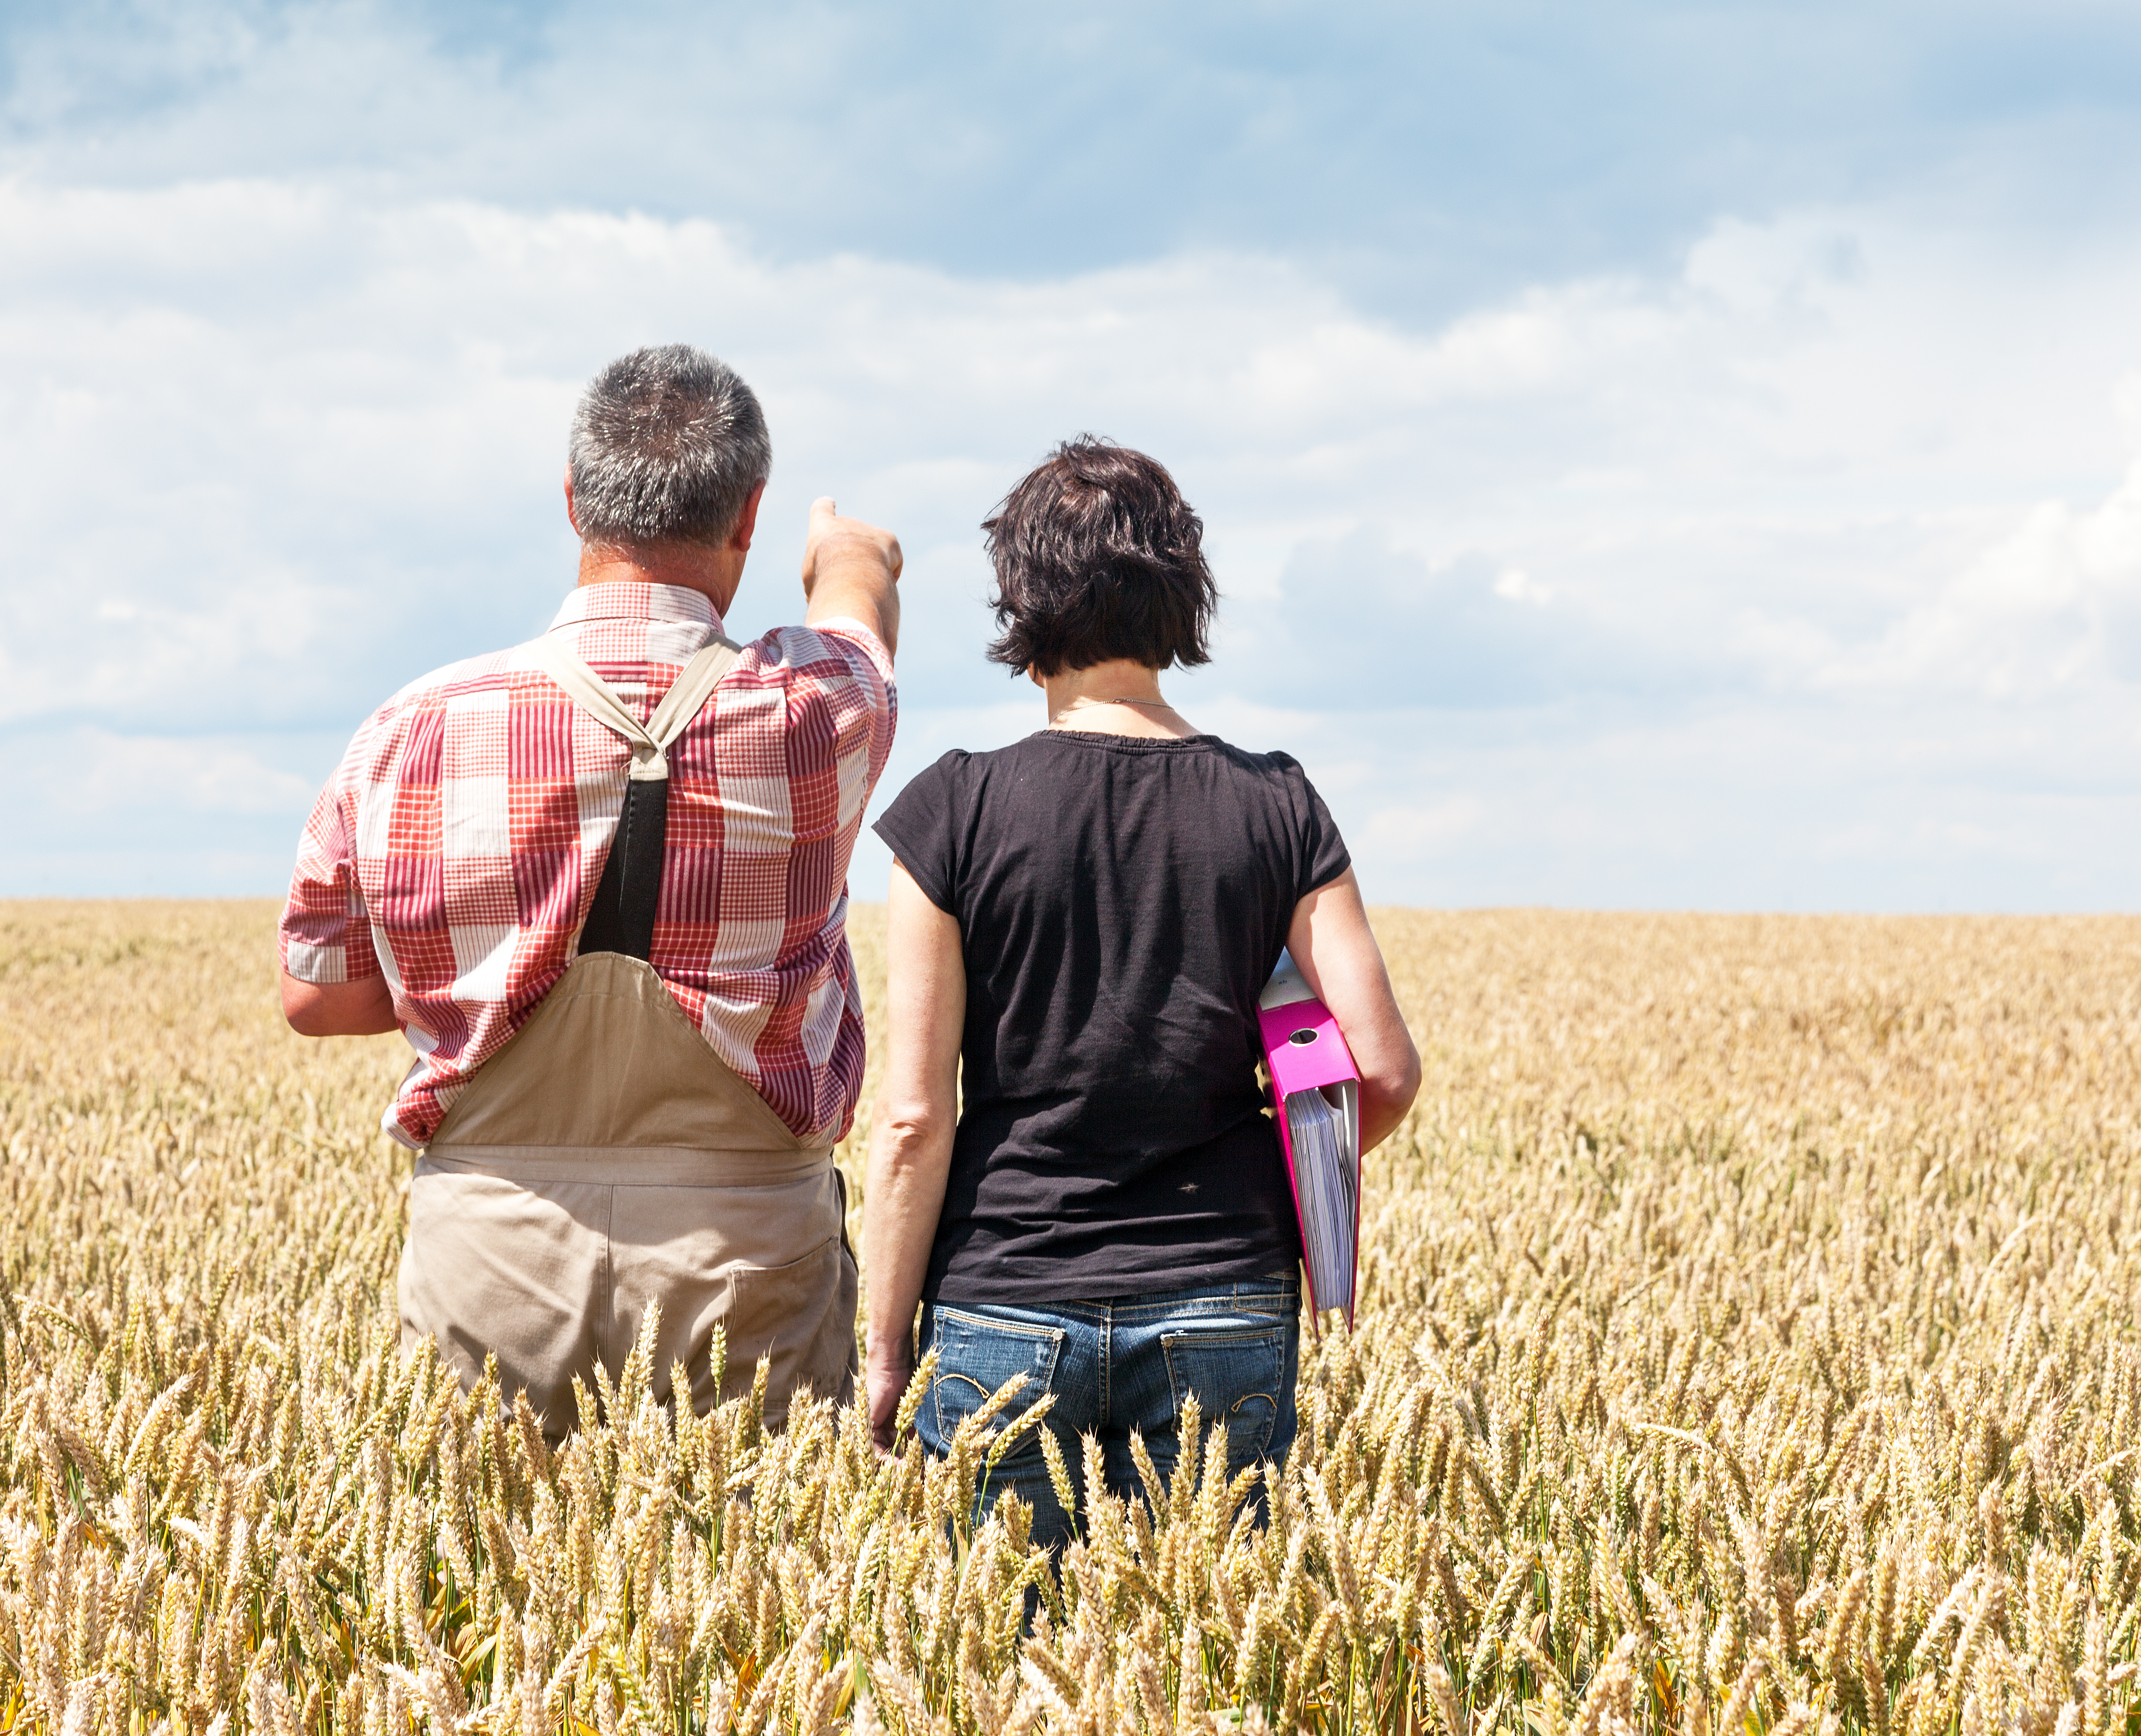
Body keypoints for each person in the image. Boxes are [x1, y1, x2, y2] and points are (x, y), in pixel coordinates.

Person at [276, 345, 905, 1436]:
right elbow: (861, 627)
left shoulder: (409, 725)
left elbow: (314, 995)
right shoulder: (820, 710)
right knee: (764, 1594)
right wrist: (849, 556)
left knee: (476, 1581)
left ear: (573, 500)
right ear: (748, 518)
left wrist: (484, 977)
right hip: (744, 1265)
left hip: (492, 1259)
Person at [857, 436, 1420, 1549]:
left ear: (1024, 610)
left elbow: (915, 1118)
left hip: (1003, 1297)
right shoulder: (1279, 805)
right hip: (1225, 1293)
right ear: (1181, 601)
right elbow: (1384, 1070)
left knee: (995, 1677)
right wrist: (1274, 1169)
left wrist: (883, 1353)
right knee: (1205, 1667)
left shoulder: (954, 812)